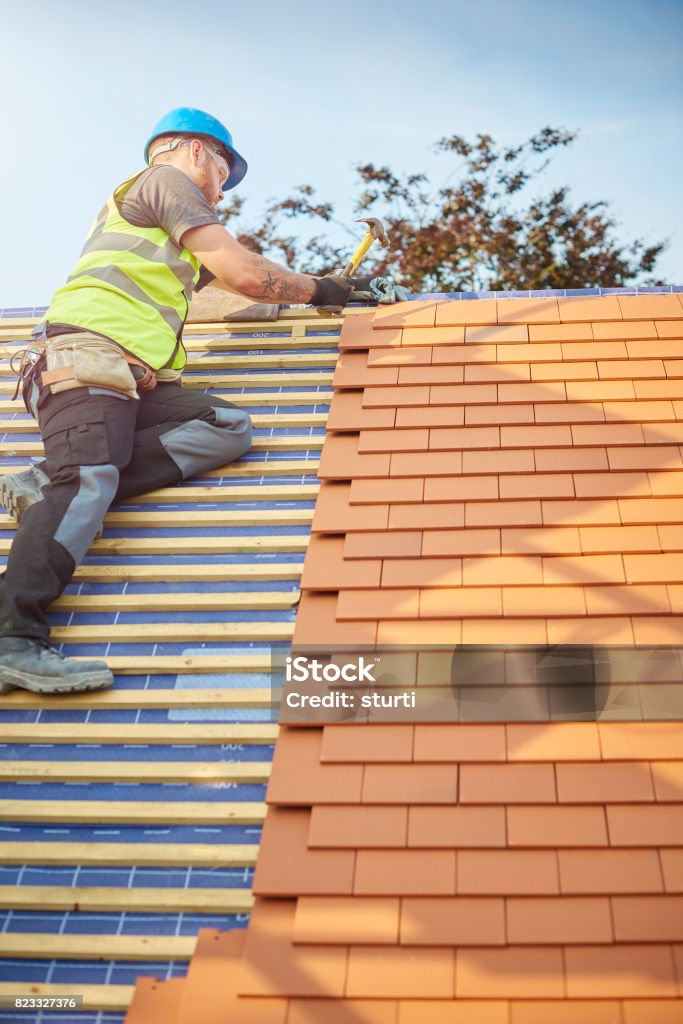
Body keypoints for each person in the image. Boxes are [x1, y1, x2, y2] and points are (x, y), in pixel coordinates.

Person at [0, 107, 361, 696]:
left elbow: (238, 293)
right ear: (195, 152)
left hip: (132, 379)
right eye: (223, 171)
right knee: (89, 477)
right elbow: (245, 273)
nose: (222, 192)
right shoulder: (164, 183)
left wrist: (318, 298)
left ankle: (45, 480)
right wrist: (326, 289)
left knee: (226, 425)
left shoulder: (165, 233)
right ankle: (13, 636)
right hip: (87, 357)